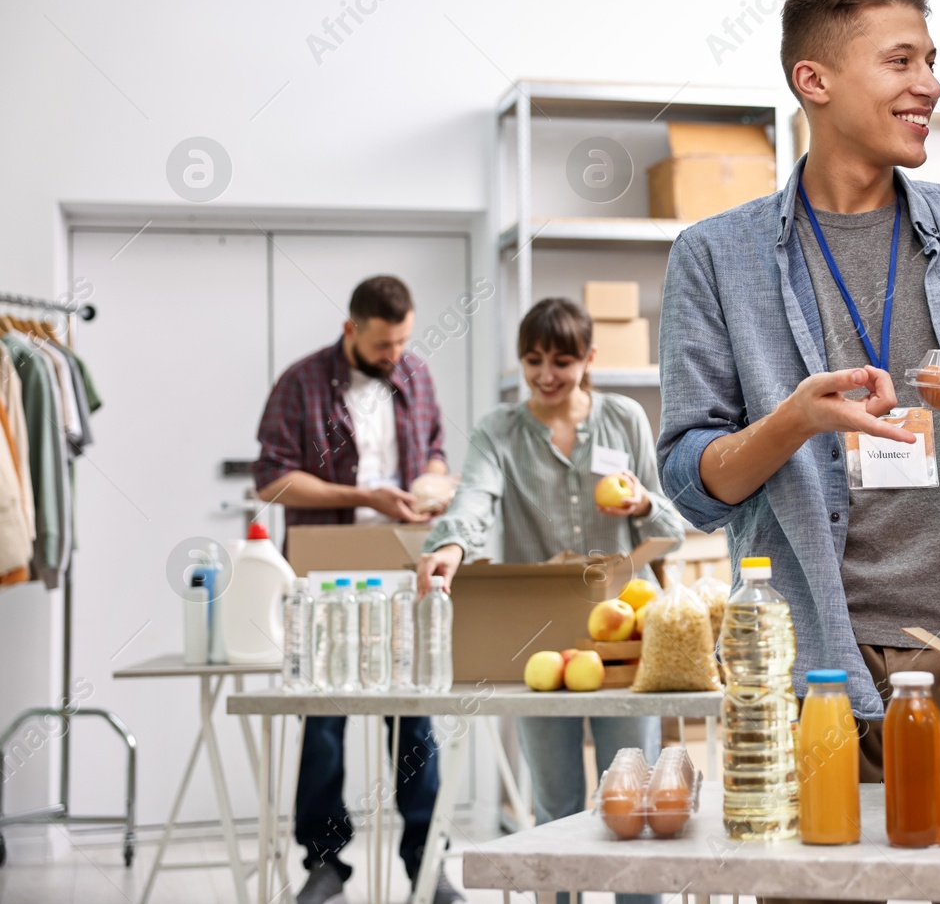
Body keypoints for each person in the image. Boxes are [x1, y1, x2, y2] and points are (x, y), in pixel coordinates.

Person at [657, 0, 940, 782]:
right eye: (900, 61)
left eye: (931, 61)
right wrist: (794, 420)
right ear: (814, 80)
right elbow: (690, 484)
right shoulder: (714, 257)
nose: (928, 84)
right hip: (806, 662)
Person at [417, 298, 682, 904]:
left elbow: (670, 527)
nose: (545, 375)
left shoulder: (624, 420)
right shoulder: (499, 431)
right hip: (537, 638)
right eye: (533, 360)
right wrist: (452, 546)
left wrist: (641, 504)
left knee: (629, 799)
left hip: (621, 639)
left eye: (561, 361)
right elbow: (474, 500)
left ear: (589, 359)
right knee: (555, 805)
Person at [253, 275, 462, 904]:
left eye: (402, 342)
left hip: (405, 573)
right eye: (382, 345)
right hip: (322, 580)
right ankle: (324, 866)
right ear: (351, 330)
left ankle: (427, 867)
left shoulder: (417, 376)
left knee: (415, 722)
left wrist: (432, 487)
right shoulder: (300, 382)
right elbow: (273, 482)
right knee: (323, 721)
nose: (395, 355)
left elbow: (435, 457)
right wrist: (364, 496)